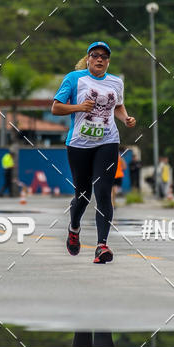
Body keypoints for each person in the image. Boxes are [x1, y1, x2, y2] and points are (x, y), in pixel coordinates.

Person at [51, 41, 136, 264]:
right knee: (83, 194)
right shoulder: (74, 78)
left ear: (108, 61)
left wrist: (125, 118)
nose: (100, 59)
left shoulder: (116, 82)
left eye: (104, 56)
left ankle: (102, 246)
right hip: (79, 143)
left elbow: (117, 105)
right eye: (95, 55)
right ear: (88, 58)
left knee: (104, 192)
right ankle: (74, 228)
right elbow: (56, 108)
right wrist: (79, 107)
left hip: (107, 141)